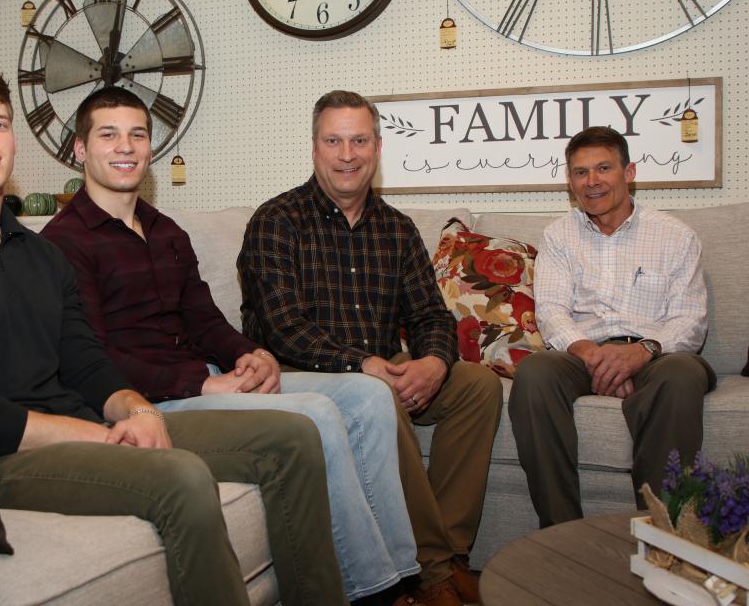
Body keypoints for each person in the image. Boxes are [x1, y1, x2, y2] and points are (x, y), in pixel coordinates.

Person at [0, 60, 346, 606]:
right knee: (179, 477)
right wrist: (93, 435)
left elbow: (85, 361)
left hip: (76, 428)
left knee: (291, 437)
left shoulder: (39, 253)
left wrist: (137, 409)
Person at [41, 87, 419, 603]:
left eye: (137, 134)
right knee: (315, 413)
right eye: (108, 135)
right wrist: (201, 381)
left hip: (201, 380)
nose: (125, 146)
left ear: (150, 147)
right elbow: (92, 355)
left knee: (370, 396)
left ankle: (400, 576)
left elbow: (204, 319)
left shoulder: (166, 231)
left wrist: (249, 353)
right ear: (80, 150)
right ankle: (370, 589)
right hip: (146, 401)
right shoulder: (64, 242)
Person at [238, 90, 503, 606]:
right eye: (333, 140)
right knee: (374, 395)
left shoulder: (397, 229)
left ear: (378, 148)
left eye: (359, 140)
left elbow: (429, 314)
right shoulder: (276, 221)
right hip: (304, 373)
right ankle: (430, 573)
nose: (347, 154)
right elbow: (281, 327)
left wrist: (432, 362)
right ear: (314, 149)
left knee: (478, 385)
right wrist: (361, 365)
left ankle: (449, 552)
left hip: (382, 363)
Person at [508, 125, 714, 528]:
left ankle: (662, 534)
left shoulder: (675, 236)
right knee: (534, 373)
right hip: (584, 352)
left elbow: (691, 320)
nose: (592, 181)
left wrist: (639, 354)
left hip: (656, 353)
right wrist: (593, 355)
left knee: (683, 373)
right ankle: (562, 533)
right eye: (580, 172)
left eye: (603, 168)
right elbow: (551, 311)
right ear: (570, 182)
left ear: (630, 172)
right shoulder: (559, 235)